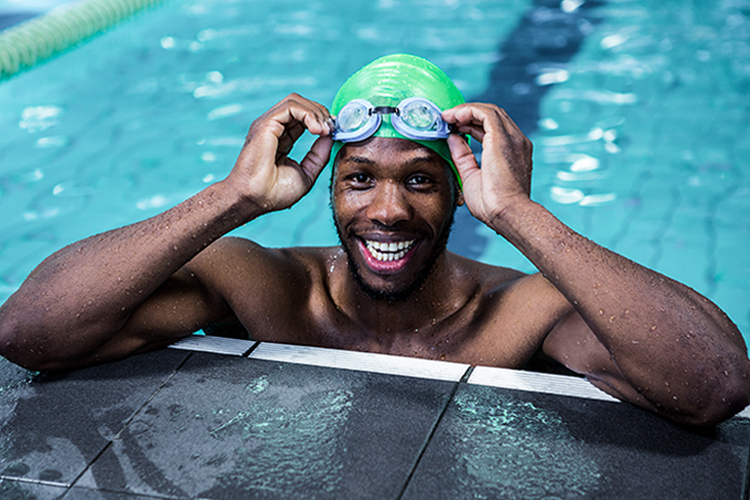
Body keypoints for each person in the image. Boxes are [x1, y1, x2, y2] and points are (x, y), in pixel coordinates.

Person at [0, 54, 748, 426]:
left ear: (459, 190)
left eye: (421, 181)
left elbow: (714, 385)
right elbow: (30, 332)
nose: (387, 210)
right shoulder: (267, 288)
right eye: (359, 179)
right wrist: (231, 199)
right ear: (329, 186)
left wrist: (521, 214)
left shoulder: (521, 311)